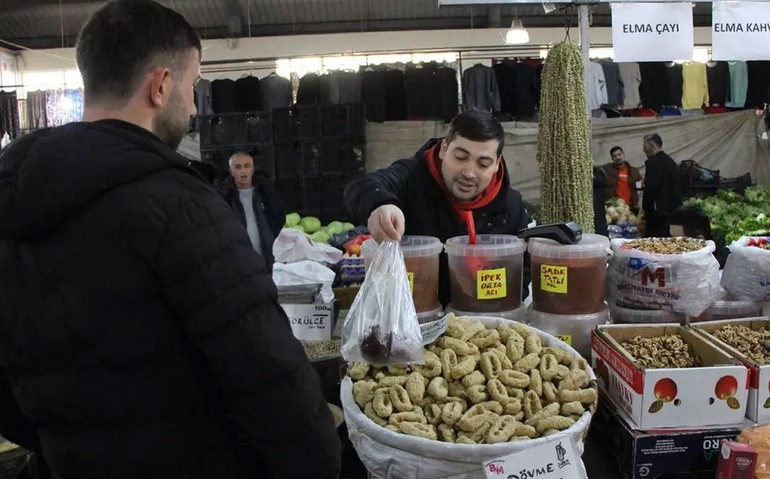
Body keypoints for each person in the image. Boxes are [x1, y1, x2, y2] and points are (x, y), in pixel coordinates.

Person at [0, 1, 340, 478]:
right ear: (161, 86)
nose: (196, 104)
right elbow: (268, 374)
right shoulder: (182, 207)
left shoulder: (14, 202)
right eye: (194, 85)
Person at [343, 110, 531, 306]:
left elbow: (522, 274)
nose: (469, 173)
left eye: (483, 164)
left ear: (496, 164)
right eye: (460, 157)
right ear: (444, 149)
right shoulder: (411, 178)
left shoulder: (510, 207)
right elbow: (361, 185)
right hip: (413, 315)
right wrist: (380, 205)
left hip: (481, 321)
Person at [217, 151, 286, 270]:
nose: (243, 171)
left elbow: (279, 217)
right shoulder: (224, 197)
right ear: (231, 172)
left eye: (247, 166)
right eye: (238, 167)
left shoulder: (266, 192)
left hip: (268, 258)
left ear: (253, 170)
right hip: (239, 263)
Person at [642, 133, 682, 237]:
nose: (644, 150)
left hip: (657, 214)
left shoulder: (653, 163)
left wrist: (645, 208)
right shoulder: (671, 162)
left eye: (644, 146)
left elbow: (651, 188)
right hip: (673, 211)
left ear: (652, 146)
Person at [602, 146, 642, 213]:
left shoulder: (633, 170)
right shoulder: (607, 169)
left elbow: (639, 186)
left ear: (623, 155)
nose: (617, 157)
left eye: (619, 154)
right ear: (612, 158)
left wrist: (642, 184)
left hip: (631, 206)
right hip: (615, 208)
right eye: (614, 156)